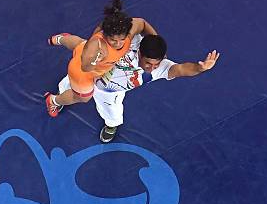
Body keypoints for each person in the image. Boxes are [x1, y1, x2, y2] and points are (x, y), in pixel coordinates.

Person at [91, 34, 220, 141]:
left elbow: (181, 69)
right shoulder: (128, 42)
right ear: (140, 54)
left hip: (109, 94)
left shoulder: (161, 68)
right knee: (72, 93)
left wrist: (200, 68)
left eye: (156, 64)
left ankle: (111, 125)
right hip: (87, 72)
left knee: (112, 115)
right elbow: (139, 23)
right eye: (148, 63)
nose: (151, 68)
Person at [45, 0, 157, 117]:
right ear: (105, 35)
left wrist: (157, 43)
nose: (118, 43)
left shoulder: (124, 32)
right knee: (83, 97)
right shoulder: (96, 48)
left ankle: (60, 39)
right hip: (82, 72)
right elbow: (85, 67)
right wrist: (95, 60)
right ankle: (53, 100)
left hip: (86, 50)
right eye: (113, 40)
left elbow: (142, 23)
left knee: (79, 45)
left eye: (122, 39)